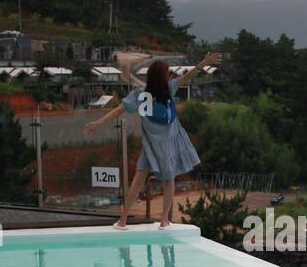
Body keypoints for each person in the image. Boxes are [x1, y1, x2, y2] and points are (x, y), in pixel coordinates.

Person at [84, 52, 220, 228]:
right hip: (169, 143)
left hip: (150, 147)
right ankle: (164, 220)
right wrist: (202, 64)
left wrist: (98, 122)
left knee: (138, 182)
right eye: (167, 72)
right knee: (168, 181)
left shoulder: (139, 95)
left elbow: (119, 110)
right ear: (163, 76)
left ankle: (123, 220)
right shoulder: (169, 89)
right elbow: (187, 77)